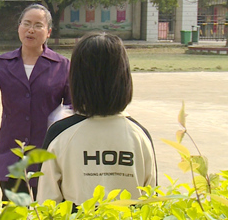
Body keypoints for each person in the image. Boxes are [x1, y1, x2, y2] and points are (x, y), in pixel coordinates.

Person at [0, 4, 71, 201]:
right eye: (26, 24)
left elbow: (72, 107)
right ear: (19, 27)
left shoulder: (62, 66)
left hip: (47, 153)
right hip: (11, 152)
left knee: (49, 211)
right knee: (14, 211)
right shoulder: (3, 63)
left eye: (38, 25)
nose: (31, 29)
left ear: (49, 32)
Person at [36, 32, 157, 205]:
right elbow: (152, 205)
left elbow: (46, 206)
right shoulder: (139, 136)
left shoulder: (60, 134)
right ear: (124, 77)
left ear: (77, 79)